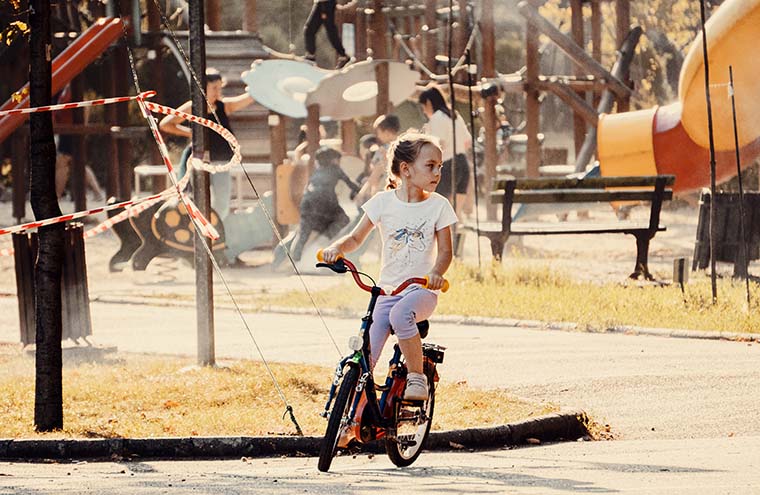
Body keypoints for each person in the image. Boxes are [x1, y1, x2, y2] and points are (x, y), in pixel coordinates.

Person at [321, 132, 457, 400]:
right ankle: (352, 418)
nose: (437, 172)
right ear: (405, 169)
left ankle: (417, 379)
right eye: (430, 165)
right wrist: (337, 248)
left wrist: (436, 274)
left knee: (400, 315)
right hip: (387, 291)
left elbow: (445, 252)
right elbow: (356, 238)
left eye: (440, 166)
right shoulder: (382, 203)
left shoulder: (439, 206)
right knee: (366, 355)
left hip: (421, 291)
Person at [159, 69, 254, 220]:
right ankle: (192, 231)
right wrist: (191, 133)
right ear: (203, 88)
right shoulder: (193, 106)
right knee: (190, 196)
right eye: (214, 88)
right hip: (197, 159)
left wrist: (257, 82)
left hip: (220, 161)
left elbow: (248, 98)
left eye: (219, 87)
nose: (218, 91)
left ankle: (215, 233)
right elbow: (166, 124)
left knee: (222, 203)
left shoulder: (223, 106)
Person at [292, 146, 360, 261]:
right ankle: (324, 240)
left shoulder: (317, 170)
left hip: (307, 201)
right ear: (333, 160)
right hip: (326, 201)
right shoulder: (335, 168)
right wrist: (359, 190)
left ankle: (295, 260)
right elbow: (349, 183)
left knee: (304, 233)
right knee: (344, 220)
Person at [418, 87, 472, 216]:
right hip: (463, 164)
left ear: (429, 103)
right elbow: (467, 141)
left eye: (424, 107)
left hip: (447, 165)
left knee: (437, 211)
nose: (424, 112)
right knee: (454, 214)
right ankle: (455, 235)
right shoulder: (455, 115)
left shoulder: (437, 117)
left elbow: (439, 144)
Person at [303, 0, 352, 69]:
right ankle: (311, 55)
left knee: (329, 31)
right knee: (311, 30)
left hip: (326, 4)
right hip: (321, 3)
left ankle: (343, 55)